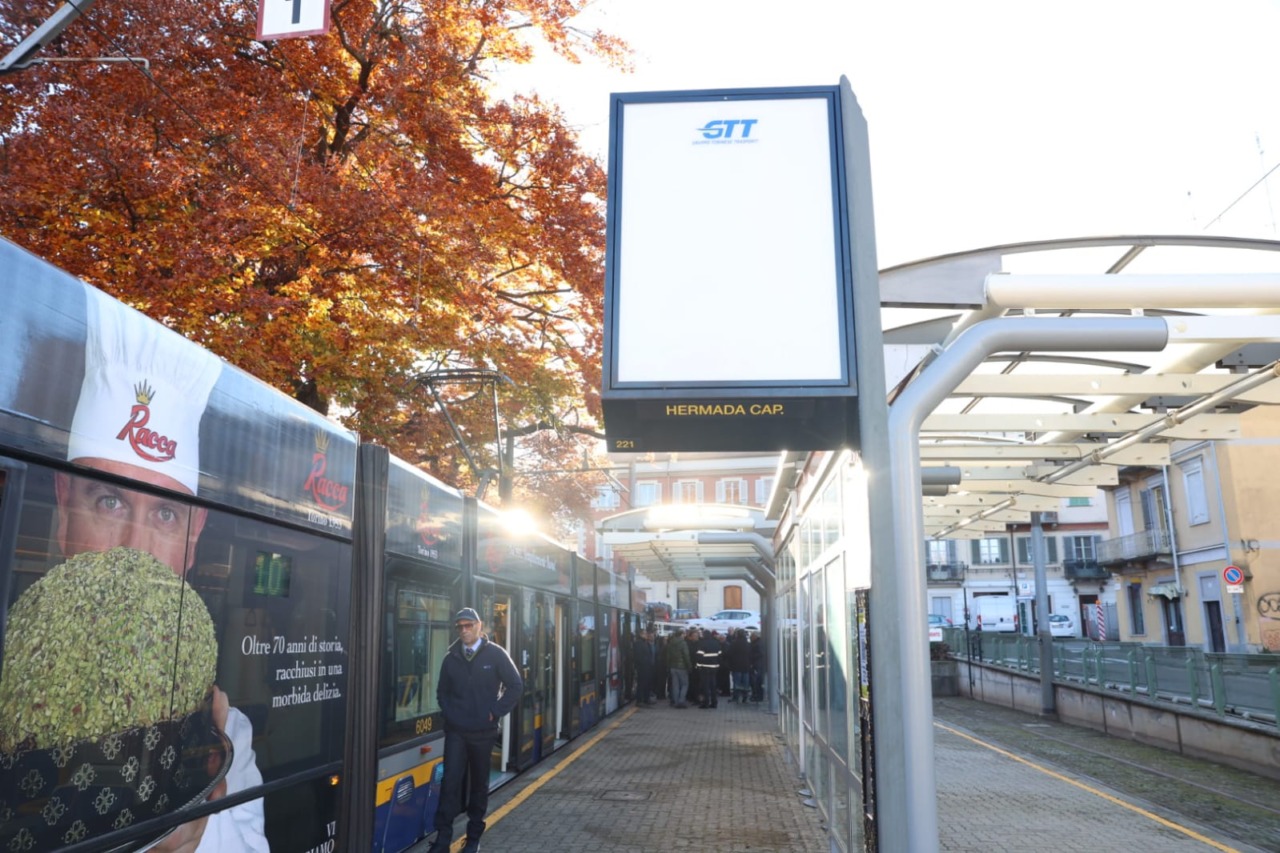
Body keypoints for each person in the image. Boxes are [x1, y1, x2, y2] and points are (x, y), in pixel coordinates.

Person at [51, 287, 266, 853]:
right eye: (109, 502)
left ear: (191, 543)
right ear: (62, 507)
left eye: (165, 514)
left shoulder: (224, 732)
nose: (133, 550)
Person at [430, 608, 524, 853]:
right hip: (456, 732)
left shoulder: (496, 654)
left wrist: (495, 711)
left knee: (479, 786)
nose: (464, 630)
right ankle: (443, 839)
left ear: (479, 626)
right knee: (449, 783)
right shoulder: (451, 658)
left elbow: (516, 685)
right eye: (460, 626)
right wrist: (450, 714)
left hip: (484, 732)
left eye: (468, 625)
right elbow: (442, 693)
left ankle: (473, 839)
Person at [694, 628, 722, 709]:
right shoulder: (716, 643)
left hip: (704, 668)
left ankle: (706, 703)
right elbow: (720, 655)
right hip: (714, 668)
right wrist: (717, 664)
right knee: (713, 685)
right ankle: (714, 702)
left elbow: (699, 656)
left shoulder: (702, 644)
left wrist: (698, 665)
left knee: (705, 686)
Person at [664, 628, 691, 708]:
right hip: (682, 667)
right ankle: (681, 701)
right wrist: (689, 666)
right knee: (684, 684)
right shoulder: (683, 643)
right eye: (684, 634)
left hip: (673, 667)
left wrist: (668, 665)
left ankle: (675, 702)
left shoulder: (671, 643)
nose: (685, 635)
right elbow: (686, 656)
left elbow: (668, 656)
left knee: (675, 685)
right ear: (681, 634)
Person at [727, 629, 752, 703]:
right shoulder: (747, 643)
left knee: (736, 682)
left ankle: (736, 697)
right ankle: (745, 697)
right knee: (745, 682)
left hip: (736, 666)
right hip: (746, 666)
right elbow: (751, 655)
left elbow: (730, 654)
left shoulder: (734, 643)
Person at [632, 628, 655, 705]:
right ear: (641, 634)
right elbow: (638, 656)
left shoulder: (645, 643)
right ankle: (639, 700)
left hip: (647, 667)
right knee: (641, 684)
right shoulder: (638, 643)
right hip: (642, 667)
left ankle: (646, 698)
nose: (646, 635)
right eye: (645, 634)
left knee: (647, 683)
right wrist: (644, 663)